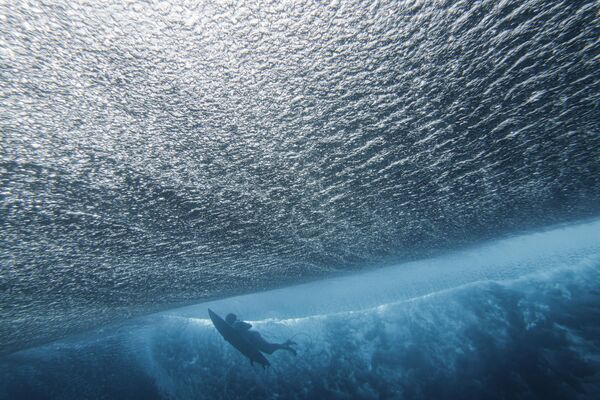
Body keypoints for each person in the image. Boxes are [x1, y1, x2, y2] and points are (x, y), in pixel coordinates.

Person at [225, 313, 297, 356]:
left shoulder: (237, 323)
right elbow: (231, 337)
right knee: (269, 350)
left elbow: (249, 326)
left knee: (268, 348)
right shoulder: (233, 326)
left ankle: (287, 347)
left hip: (253, 337)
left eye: (227, 320)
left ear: (230, 319)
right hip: (251, 338)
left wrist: (239, 328)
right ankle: (286, 344)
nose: (226, 321)